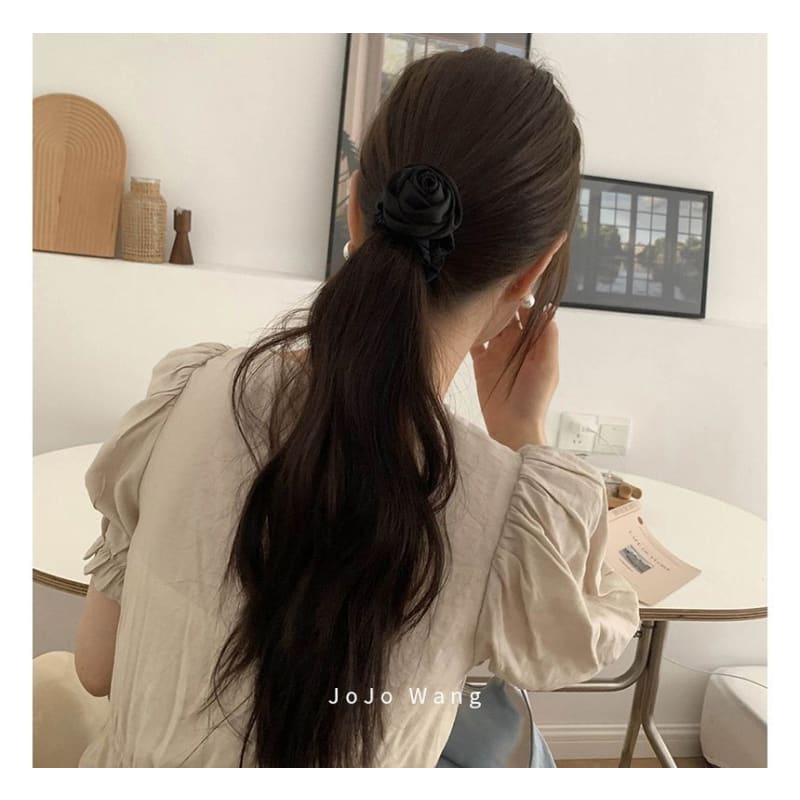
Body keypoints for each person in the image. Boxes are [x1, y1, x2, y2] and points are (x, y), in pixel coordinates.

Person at [73, 45, 640, 768]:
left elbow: (97, 667)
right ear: (533, 270)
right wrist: (520, 431)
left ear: (355, 209)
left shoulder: (190, 393)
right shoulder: (511, 516)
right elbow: (575, 644)